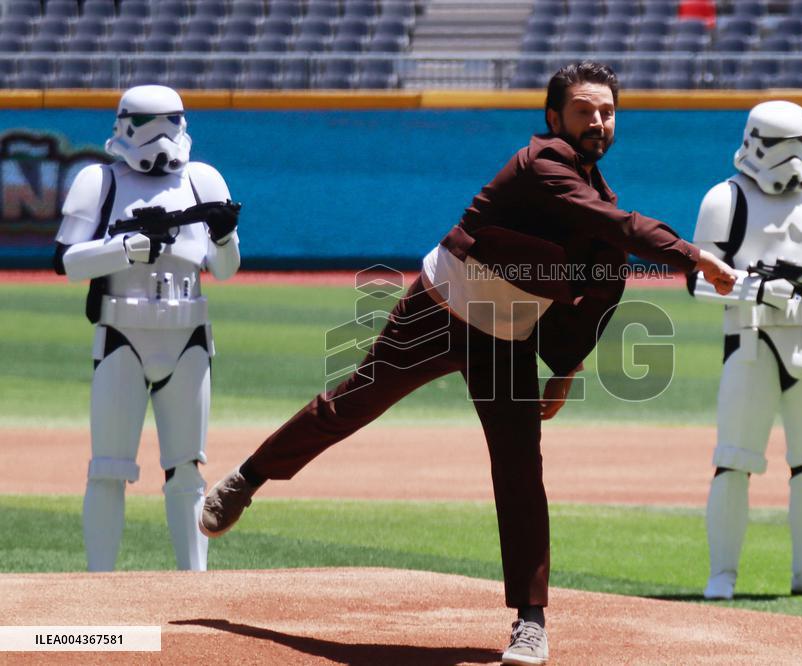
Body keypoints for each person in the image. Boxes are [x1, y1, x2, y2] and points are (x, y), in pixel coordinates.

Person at [199, 61, 736, 665]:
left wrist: (563, 372)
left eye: (608, 111)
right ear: (554, 117)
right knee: (350, 405)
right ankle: (248, 478)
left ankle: (530, 622)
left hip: (508, 340)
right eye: (585, 110)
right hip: (438, 307)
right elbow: (618, 224)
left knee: (519, 470)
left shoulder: (600, 207)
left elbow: (602, 293)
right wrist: (693, 256)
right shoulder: (542, 165)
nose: (599, 121)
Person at [687, 100, 802, 600]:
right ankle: (722, 573)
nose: (791, 160)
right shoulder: (725, 200)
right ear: (754, 144)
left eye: (799, 147)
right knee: (735, 459)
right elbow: (698, 281)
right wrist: (757, 290)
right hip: (752, 341)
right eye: (779, 147)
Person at [53, 85, 241, 572]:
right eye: (146, 123)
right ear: (124, 126)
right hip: (122, 334)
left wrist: (222, 233)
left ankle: (192, 586)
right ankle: (99, 587)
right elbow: (66, 261)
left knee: (186, 472)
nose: (160, 136)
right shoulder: (100, 181)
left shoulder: (202, 181)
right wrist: (128, 249)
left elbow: (223, 269)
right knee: (108, 469)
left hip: (188, 335)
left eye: (170, 122)